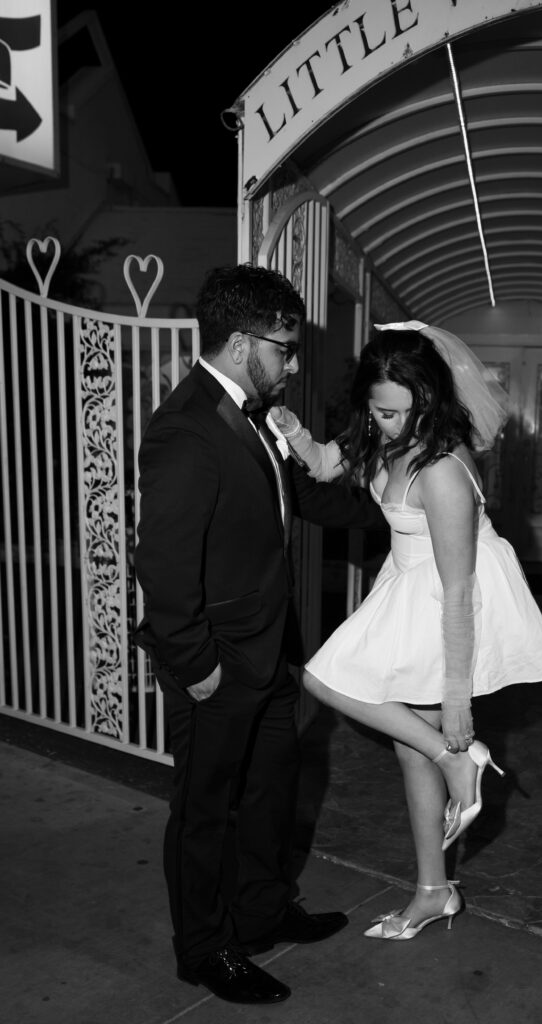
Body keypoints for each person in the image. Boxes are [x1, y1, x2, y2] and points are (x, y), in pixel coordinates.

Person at [133, 264, 386, 1004]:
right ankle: (205, 949)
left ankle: (263, 909)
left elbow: (307, 497)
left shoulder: (258, 415)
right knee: (206, 808)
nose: (294, 361)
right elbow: (164, 564)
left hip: (270, 651)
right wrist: (197, 666)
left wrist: (400, 499)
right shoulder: (186, 428)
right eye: (285, 346)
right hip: (215, 664)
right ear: (243, 344)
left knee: (272, 789)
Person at [271, 321, 542, 941]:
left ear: (430, 398)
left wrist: (458, 704)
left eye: (407, 411)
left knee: (326, 680)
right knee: (410, 747)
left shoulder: (442, 470)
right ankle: (435, 891)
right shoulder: (380, 437)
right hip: (405, 586)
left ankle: (460, 761)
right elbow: (328, 466)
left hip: (444, 600)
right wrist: (294, 433)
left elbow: (459, 590)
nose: (394, 425)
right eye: (382, 412)